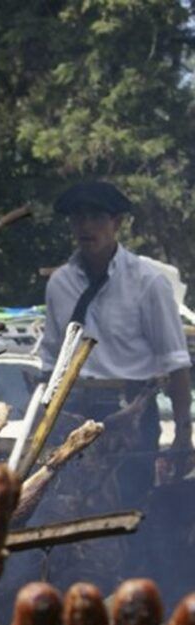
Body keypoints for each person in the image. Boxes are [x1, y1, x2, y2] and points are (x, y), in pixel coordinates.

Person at [39, 181, 192, 506]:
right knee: (63, 511)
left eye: (96, 217)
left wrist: (183, 433)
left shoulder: (148, 283)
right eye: (78, 218)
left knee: (126, 513)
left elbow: (176, 363)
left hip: (129, 414)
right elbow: (51, 362)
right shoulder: (59, 284)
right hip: (72, 414)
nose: (86, 226)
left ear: (116, 223)